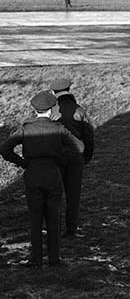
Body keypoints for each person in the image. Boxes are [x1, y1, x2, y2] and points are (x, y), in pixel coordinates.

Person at [0, 91, 83, 266]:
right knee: (54, 216)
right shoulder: (58, 129)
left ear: (35, 110)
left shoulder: (26, 128)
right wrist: (61, 157)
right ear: (52, 109)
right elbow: (80, 147)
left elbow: (5, 149)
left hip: (32, 172)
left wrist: (22, 162)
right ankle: (54, 258)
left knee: (35, 217)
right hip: (53, 172)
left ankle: (35, 258)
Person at [50, 77, 95, 237]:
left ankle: (54, 227)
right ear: (69, 90)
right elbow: (89, 136)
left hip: (55, 158)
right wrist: (86, 157)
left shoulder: (51, 111)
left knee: (54, 194)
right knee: (73, 195)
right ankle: (71, 229)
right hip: (76, 157)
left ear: (53, 92)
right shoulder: (79, 110)